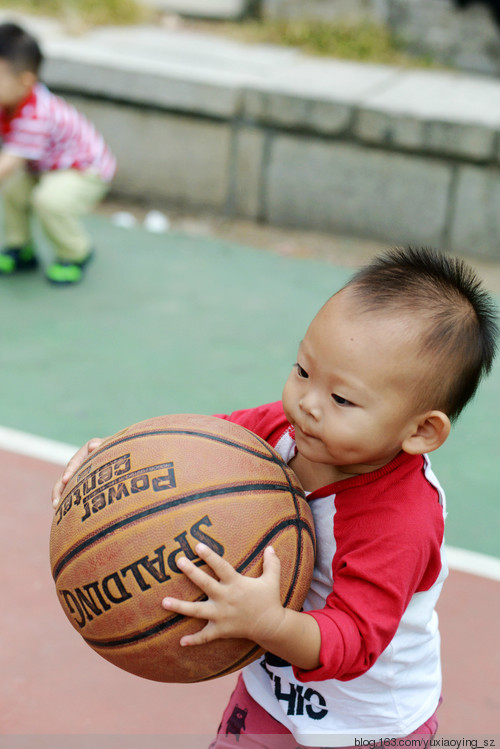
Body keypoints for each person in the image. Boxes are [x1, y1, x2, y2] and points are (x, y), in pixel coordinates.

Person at [52, 247, 498, 746]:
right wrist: (112, 461)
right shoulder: (286, 431)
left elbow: (353, 641)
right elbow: (191, 452)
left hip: (367, 725)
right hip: (269, 697)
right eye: (304, 371)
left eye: (342, 399)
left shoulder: (400, 521)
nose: (307, 403)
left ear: (421, 431)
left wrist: (267, 621)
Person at [0, 22, 116, 285]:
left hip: (84, 170)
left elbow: (7, 164)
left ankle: (75, 253)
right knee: (14, 191)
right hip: (45, 167)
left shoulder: (36, 113)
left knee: (50, 200)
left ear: (24, 81)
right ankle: (20, 248)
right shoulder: (7, 101)